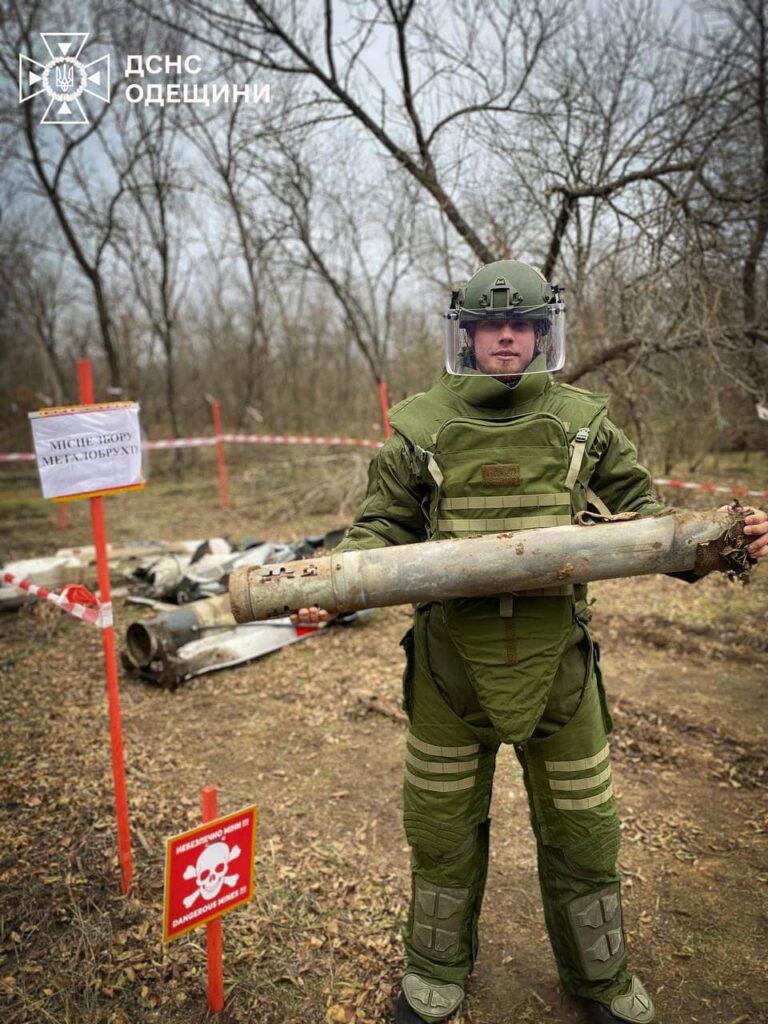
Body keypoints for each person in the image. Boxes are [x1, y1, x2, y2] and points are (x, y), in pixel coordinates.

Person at [291, 259, 768, 1023]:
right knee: (441, 831)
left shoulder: (584, 421)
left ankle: (602, 983)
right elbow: (380, 530)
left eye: (521, 325)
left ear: (542, 333)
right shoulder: (416, 426)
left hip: (562, 674)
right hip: (449, 672)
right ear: (468, 335)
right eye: (490, 325)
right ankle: (436, 974)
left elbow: (646, 521)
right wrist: (325, 591)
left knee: (586, 834)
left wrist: (725, 539)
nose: (506, 336)